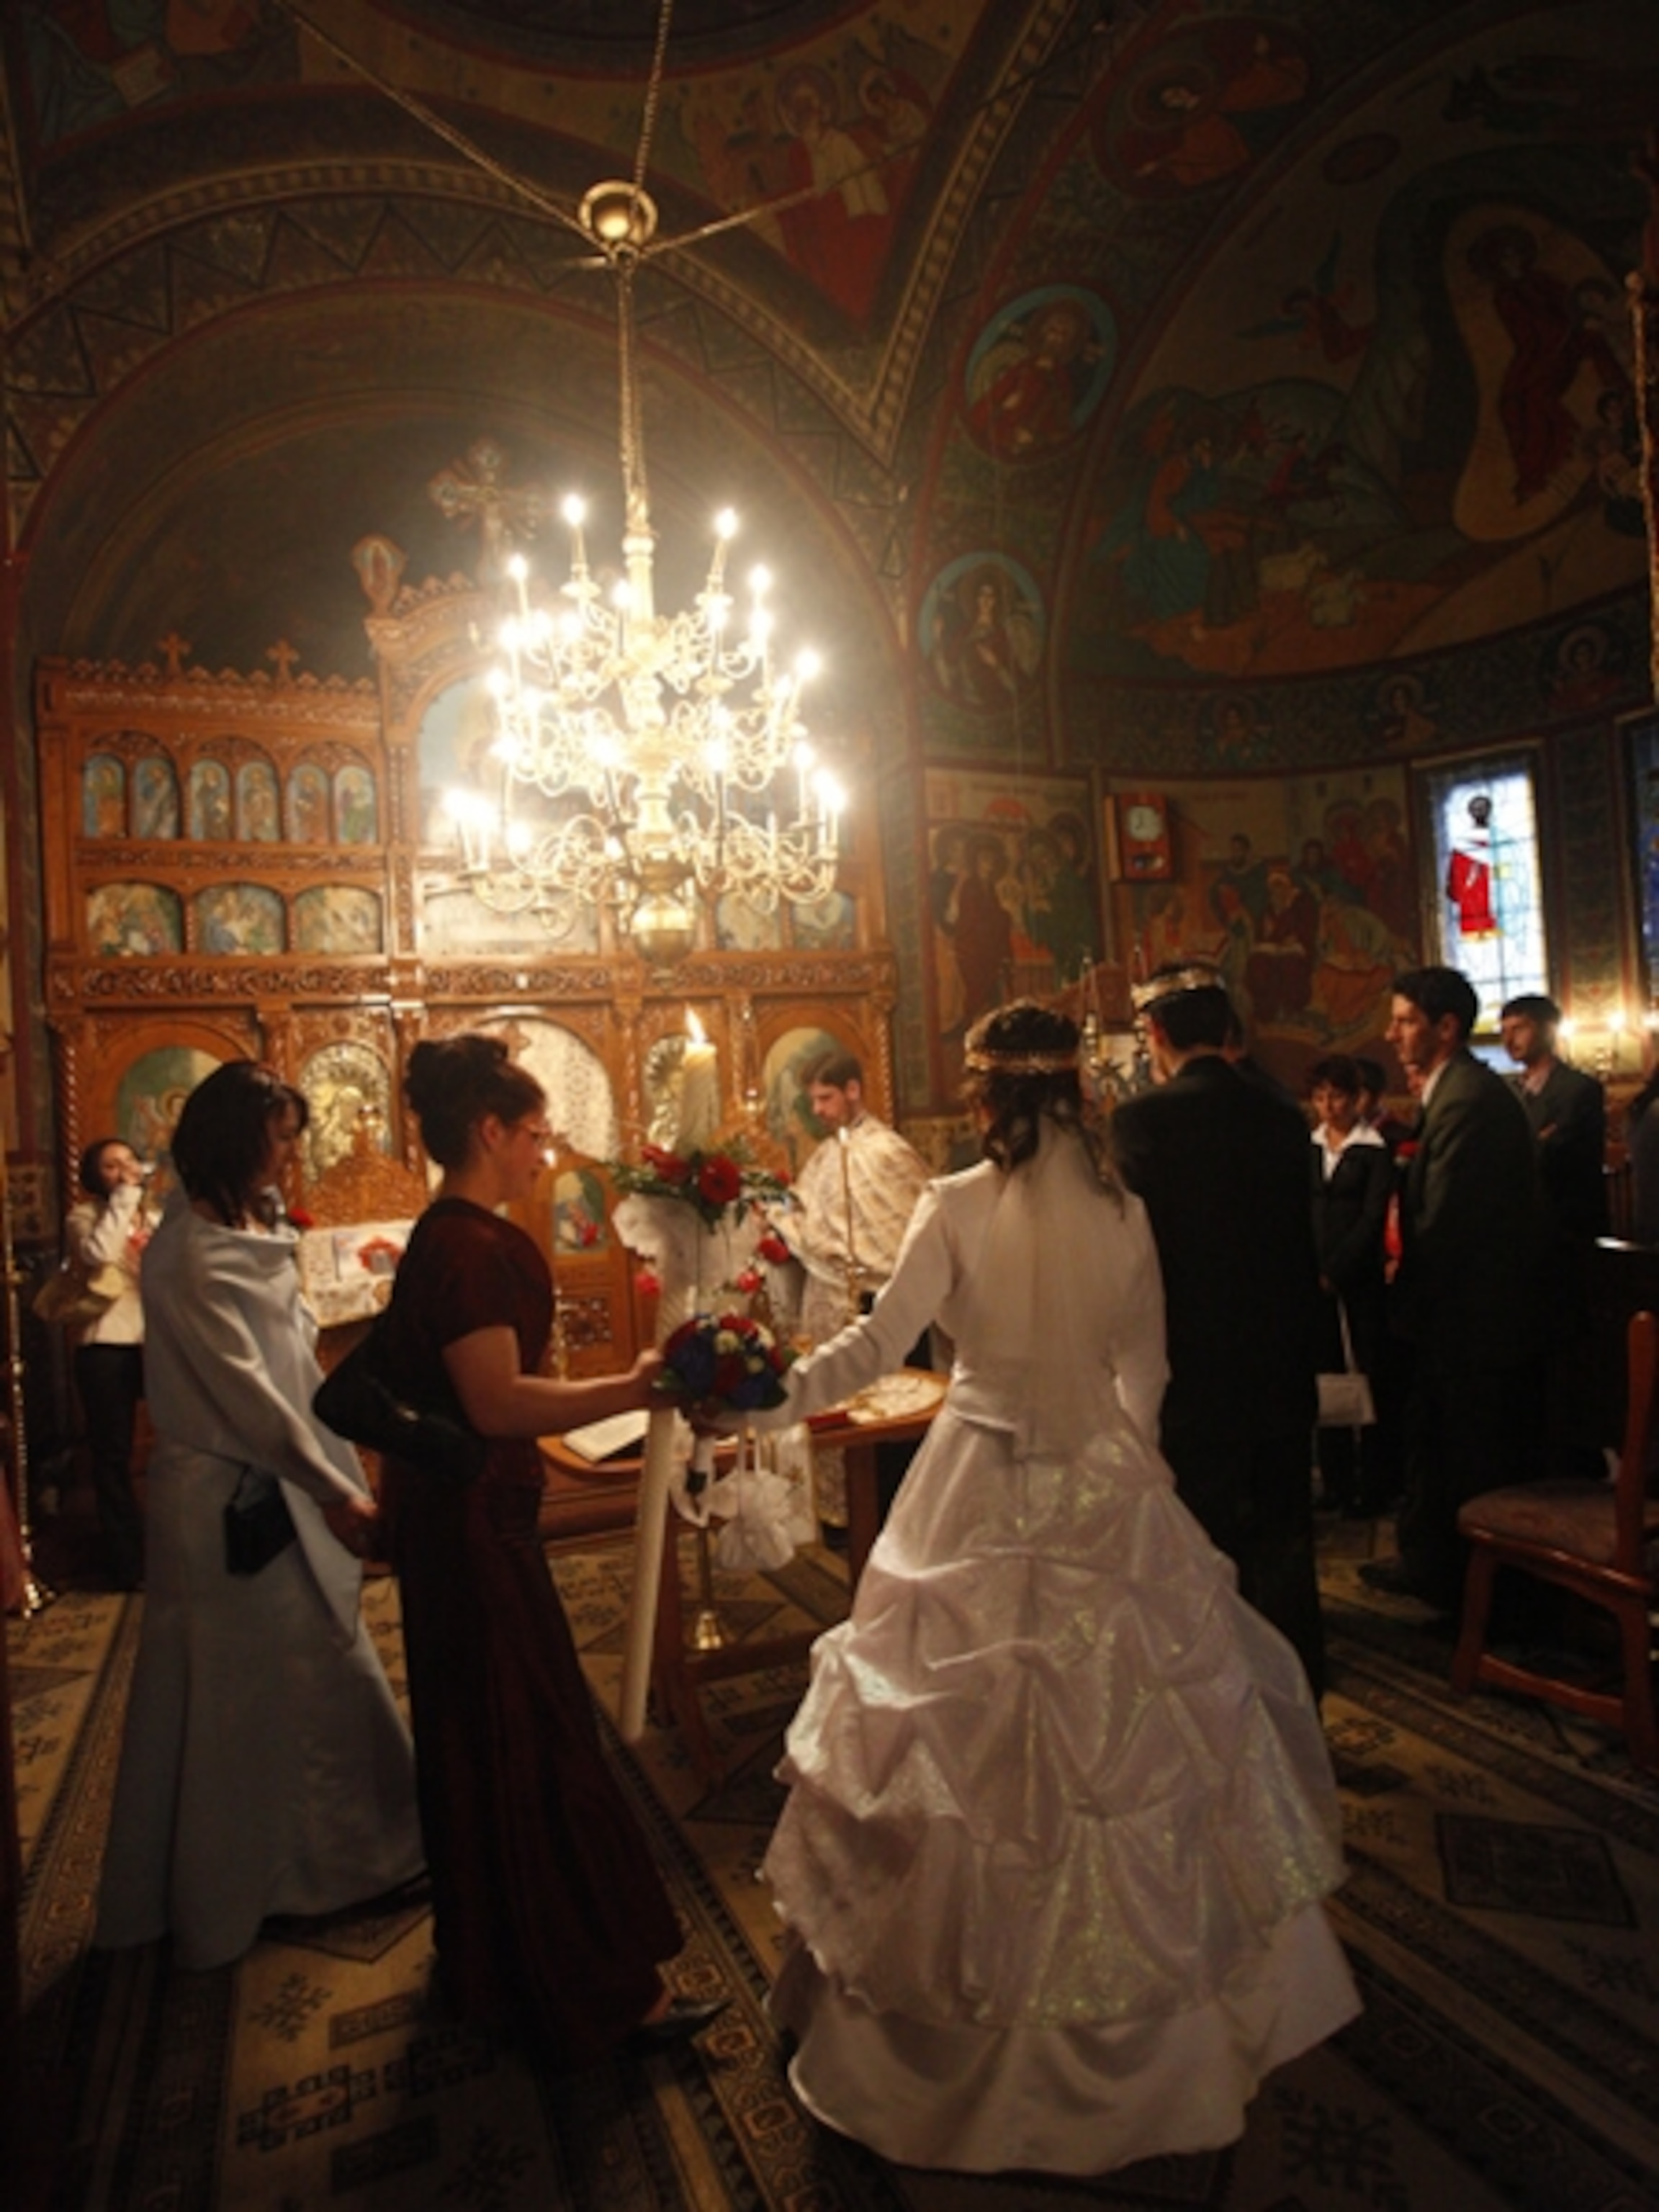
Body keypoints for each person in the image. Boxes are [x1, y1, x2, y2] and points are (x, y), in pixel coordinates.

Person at [737, 1000, 1357, 2175]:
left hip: (974, 1469)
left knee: (954, 1761)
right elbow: (1147, 1366)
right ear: (1073, 1090)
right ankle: (1161, 2044)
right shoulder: (1120, 1208)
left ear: (980, 1099)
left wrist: (767, 1399)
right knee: (1134, 1759)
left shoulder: (954, 1203)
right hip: (1092, 1472)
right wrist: (1122, 1471)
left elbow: (877, 1347)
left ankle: (940, 2035)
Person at [372, 1033, 724, 2064]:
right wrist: (635, 1385)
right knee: (530, 1742)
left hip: (458, 1525)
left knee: (481, 1742)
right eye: (531, 1133)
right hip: (478, 1532)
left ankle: (498, 1964)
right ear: (488, 1132)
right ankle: (605, 1994)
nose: (543, 1151)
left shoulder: (444, 1235)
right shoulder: (474, 1247)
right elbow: (495, 1402)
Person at [94, 1062, 423, 1972]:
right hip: (225, 1499)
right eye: (278, 1136)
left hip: (278, 1474)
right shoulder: (191, 1253)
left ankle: (353, 1857)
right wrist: (334, 1485)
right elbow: (250, 1399)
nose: (291, 1153)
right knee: (246, 1692)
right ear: (235, 1138)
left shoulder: (246, 1225)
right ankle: (254, 1882)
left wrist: (332, 1455)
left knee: (313, 1662)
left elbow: (290, 1370)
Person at [1110, 963, 1327, 1695]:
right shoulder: (1282, 1114)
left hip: (1194, 1365)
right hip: (1281, 1357)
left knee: (1204, 1538)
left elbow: (1137, 1252)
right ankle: (1301, 1693)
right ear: (1228, 1030)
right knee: (1288, 1538)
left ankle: (1220, 1699)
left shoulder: (1143, 1120)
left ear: (1158, 1034)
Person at [1361, 968, 1545, 1610]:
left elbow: (1445, 1224)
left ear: (1446, 1027)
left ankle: (1478, 1600)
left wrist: (1401, 1296)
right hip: (1459, 1321)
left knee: (1474, 1459)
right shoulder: (1456, 1090)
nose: (1392, 1033)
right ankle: (1440, 1572)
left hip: (1476, 1324)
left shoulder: (1467, 1098)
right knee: (1442, 1452)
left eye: (1406, 1020)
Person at [781, 1051, 932, 1526]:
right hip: (828, 1306)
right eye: (814, 1101)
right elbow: (808, 1224)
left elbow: (913, 1237)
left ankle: (893, 1517)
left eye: (826, 1098)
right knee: (836, 1414)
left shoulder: (888, 1152)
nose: (820, 1110)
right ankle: (846, 1518)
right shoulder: (826, 1154)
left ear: (853, 1090)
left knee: (886, 1427)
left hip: (885, 1311)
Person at [1499, 993, 1608, 1478]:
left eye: (1519, 1027)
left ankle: (1579, 1454)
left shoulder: (1577, 1090)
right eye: (1504, 1028)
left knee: (1572, 1356)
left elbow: (1553, 1155)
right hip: (1524, 1242)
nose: (1508, 1038)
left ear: (1546, 1029)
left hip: (1568, 1238)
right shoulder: (1509, 1092)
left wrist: (1529, 1148)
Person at [63, 1136, 153, 1588]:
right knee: (113, 1454)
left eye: (129, 1162)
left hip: (155, 1343)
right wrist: (123, 1203)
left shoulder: (155, 1217)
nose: (123, 1171)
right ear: (97, 1178)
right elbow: (97, 1254)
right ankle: (126, 1564)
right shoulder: (84, 1218)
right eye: (111, 1167)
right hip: (106, 1344)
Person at [1306, 1054, 1394, 1516]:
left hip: (1359, 1284)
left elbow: (1371, 1219)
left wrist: (1338, 1269)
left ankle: (1375, 1482)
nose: (1328, 1106)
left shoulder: (1373, 1151)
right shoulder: (1310, 1147)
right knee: (1327, 1381)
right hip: (1316, 1286)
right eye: (1320, 1097)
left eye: (1336, 1096)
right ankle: (1337, 1482)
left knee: (1369, 1373)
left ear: (1355, 1097)